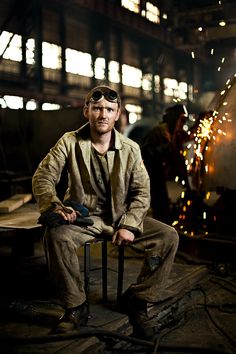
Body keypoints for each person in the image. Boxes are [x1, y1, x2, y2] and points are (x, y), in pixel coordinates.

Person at [32, 85, 179, 340]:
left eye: (109, 109)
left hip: (121, 218)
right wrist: (54, 205)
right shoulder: (69, 142)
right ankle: (75, 306)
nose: (103, 114)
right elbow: (44, 176)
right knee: (55, 236)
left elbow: (142, 192)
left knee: (168, 237)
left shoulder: (131, 149)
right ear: (86, 111)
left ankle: (138, 299)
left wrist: (130, 224)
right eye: (97, 108)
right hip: (83, 219)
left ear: (117, 113)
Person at [141, 105, 188, 224]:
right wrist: (168, 147)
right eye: (181, 120)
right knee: (160, 206)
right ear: (174, 119)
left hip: (160, 176)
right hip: (151, 176)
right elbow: (147, 152)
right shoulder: (158, 132)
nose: (182, 123)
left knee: (164, 205)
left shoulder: (174, 134)